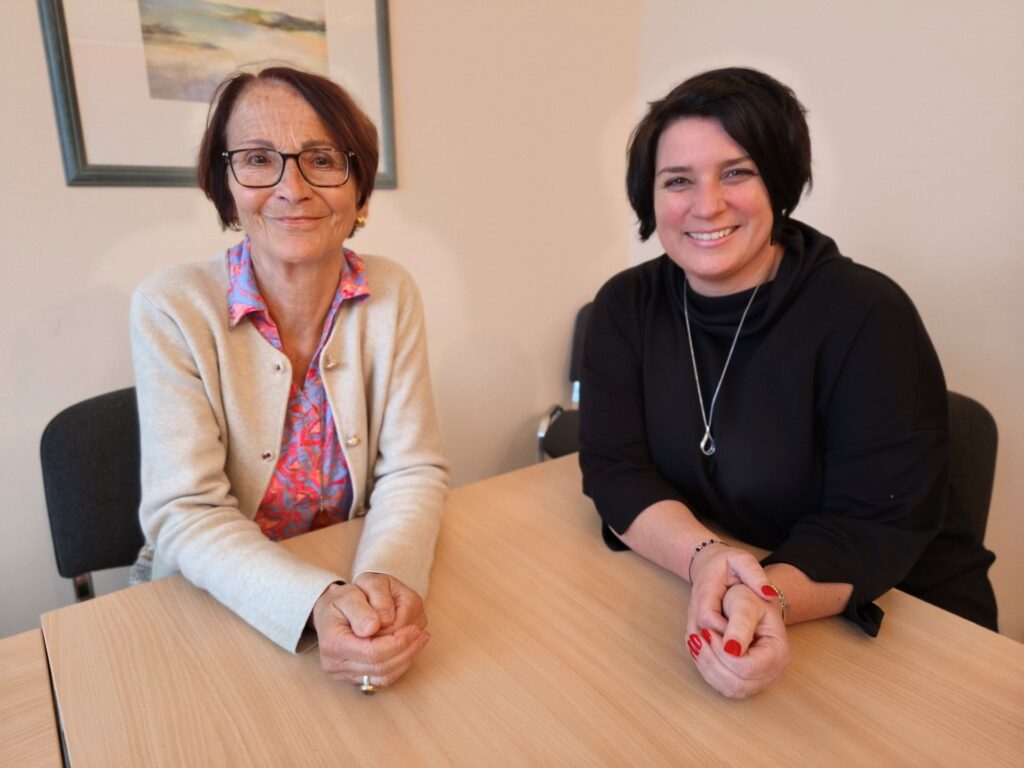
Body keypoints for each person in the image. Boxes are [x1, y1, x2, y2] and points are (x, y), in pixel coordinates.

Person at [579, 67, 997, 699]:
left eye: (737, 172)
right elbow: (615, 468)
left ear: (779, 179)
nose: (706, 204)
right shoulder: (624, 307)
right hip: (737, 580)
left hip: (904, 620)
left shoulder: (866, 314)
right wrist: (706, 561)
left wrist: (759, 599)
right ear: (650, 197)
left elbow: (867, 526)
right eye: (678, 181)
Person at [129, 66, 448, 694]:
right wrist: (316, 602)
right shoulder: (171, 306)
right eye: (256, 159)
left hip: (348, 576)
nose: (291, 188)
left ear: (360, 187)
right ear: (226, 185)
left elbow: (412, 469)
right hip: (214, 601)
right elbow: (184, 511)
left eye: (322, 159)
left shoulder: (391, 291)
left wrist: (387, 579)